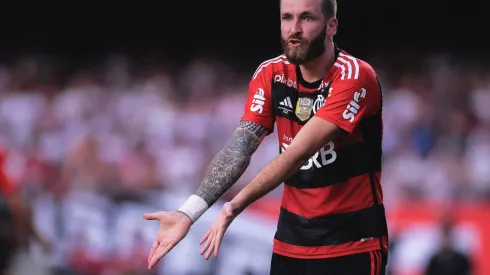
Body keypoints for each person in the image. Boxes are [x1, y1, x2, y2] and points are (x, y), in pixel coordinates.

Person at [144, 0, 389, 273]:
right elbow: (240, 149)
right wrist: (188, 212)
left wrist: (233, 206)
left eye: (306, 18)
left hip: (351, 244)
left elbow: (298, 153)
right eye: (287, 18)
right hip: (291, 244)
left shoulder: (355, 76)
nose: (294, 29)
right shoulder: (271, 74)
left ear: (331, 26)